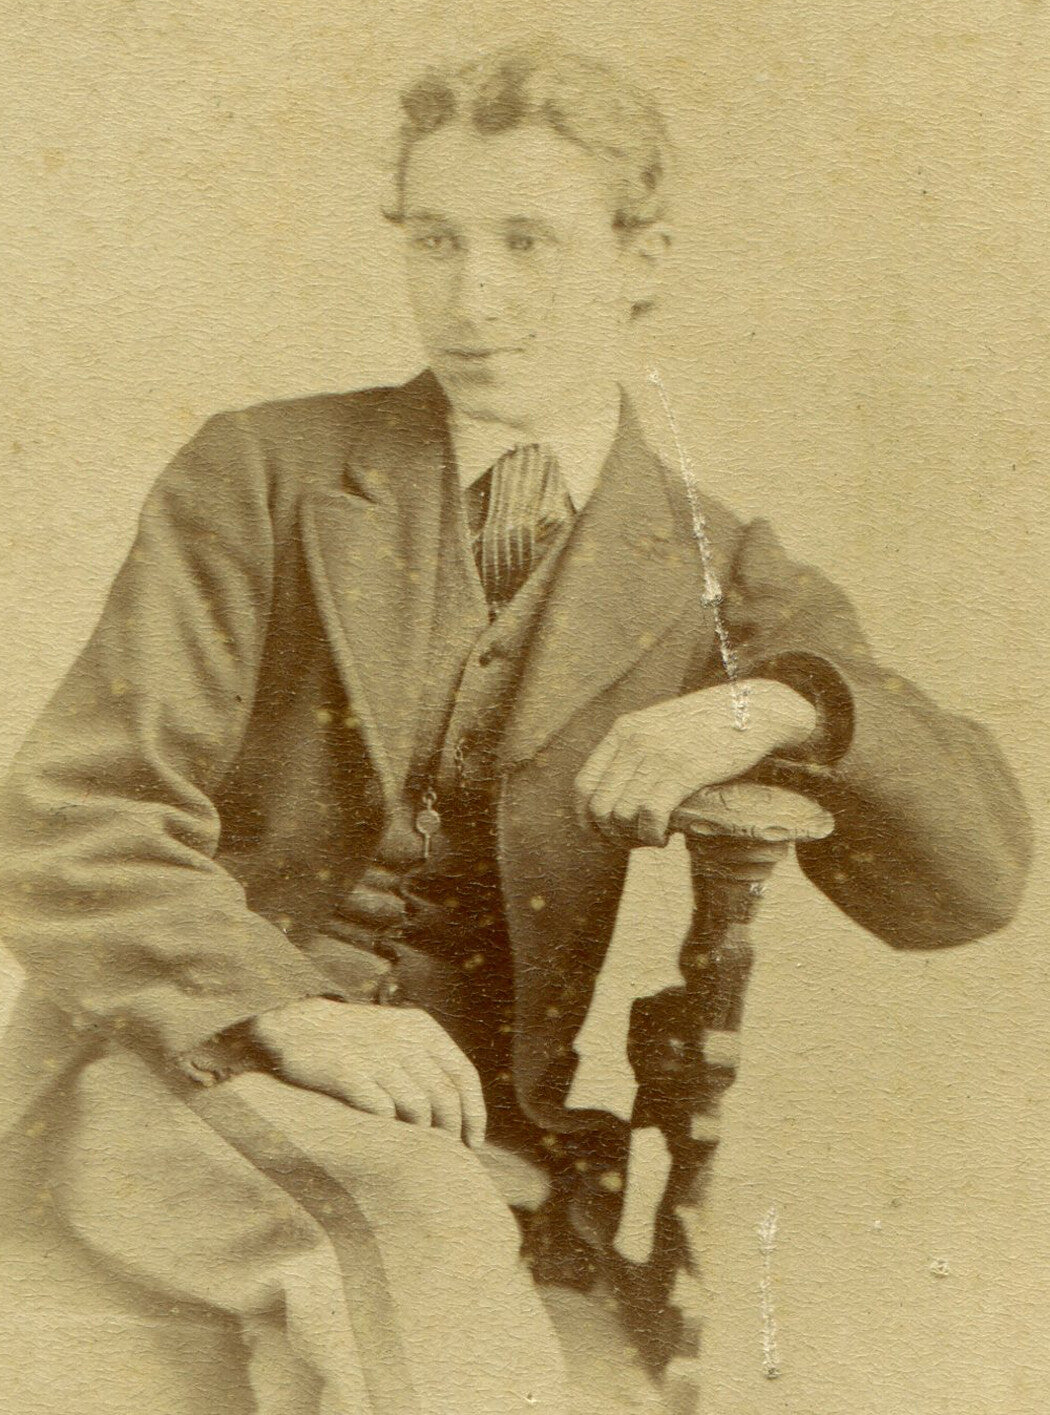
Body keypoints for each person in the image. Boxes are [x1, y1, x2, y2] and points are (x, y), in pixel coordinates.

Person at [0, 44, 1032, 1415]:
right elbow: (79, 815)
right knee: (415, 1227)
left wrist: (780, 701)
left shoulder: (703, 562)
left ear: (638, 259)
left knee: (406, 1265)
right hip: (174, 1076)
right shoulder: (261, 471)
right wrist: (290, 1010)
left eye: (525, 243)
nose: (472, 297)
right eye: (436, 240)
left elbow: (968, 884)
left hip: (467, 1117)